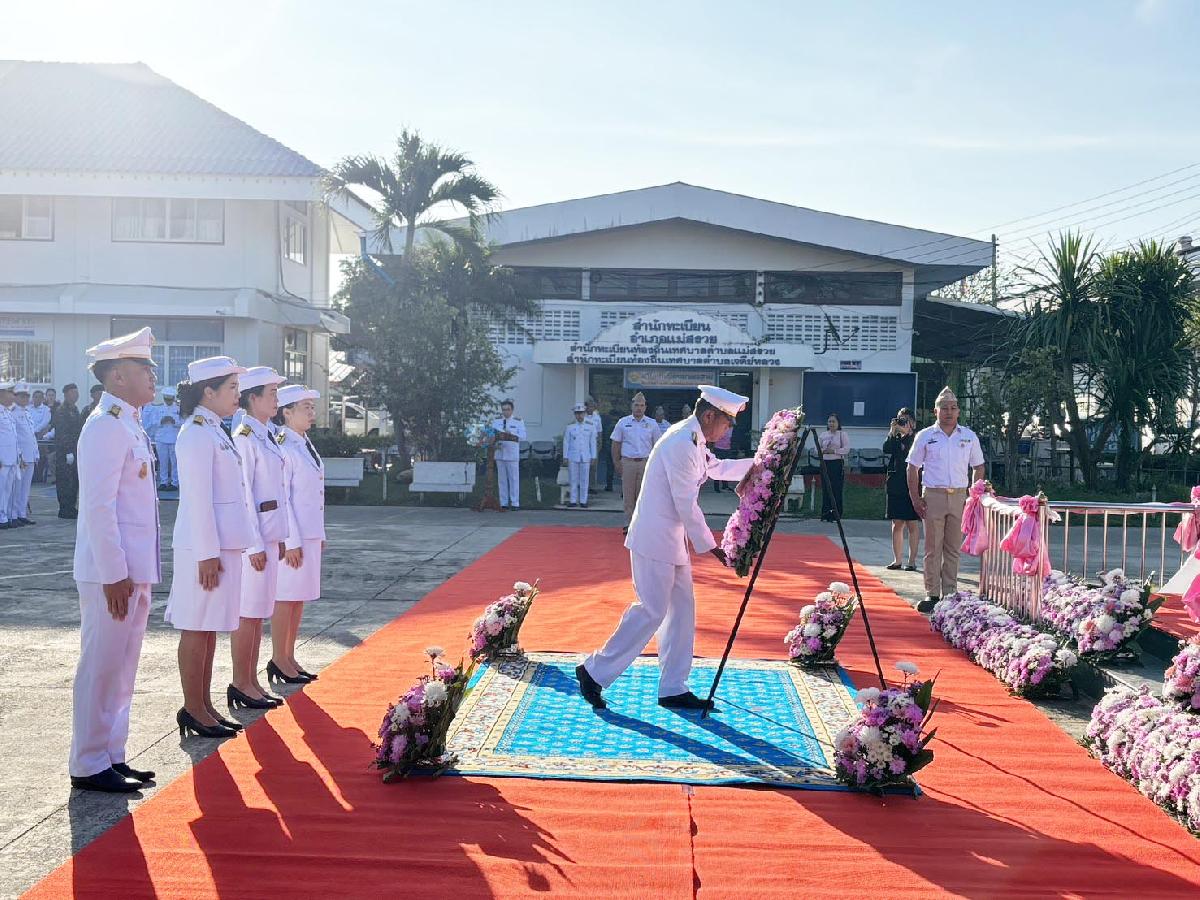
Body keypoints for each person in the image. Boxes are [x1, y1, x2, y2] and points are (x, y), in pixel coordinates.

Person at [576, 385, 756, 711]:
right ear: (709, 415)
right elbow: (685, 502)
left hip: (671, 541)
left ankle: (673, 687)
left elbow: (716, 468)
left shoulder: (693, 438)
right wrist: (712, 546)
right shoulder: (680, 443)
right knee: (652, 610)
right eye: (727, 422)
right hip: (654, 539)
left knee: (681, 612)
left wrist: (758, 465)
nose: (728, 429)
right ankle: (594, 671)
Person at [69, 327, 160, 792]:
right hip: (112, 572)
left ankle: (112, 754)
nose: (153, 376)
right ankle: (88, 763)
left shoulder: (129, 423)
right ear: (119, 375)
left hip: (132, 570)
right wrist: (114, 573)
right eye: (145, 368)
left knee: (122, 669)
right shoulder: (105, 426)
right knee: (101, 667)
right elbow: (98, 507)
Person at [164, 356, 255, 739]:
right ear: (208, 391)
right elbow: (198, 499)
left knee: (209, 627)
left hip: (221, 545)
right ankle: (193, 708)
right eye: (231, 388)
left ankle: (204, 705)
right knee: (196, 625)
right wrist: (207, 553)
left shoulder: (215, 429)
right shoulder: (196, 433)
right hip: (203, 547)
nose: (237, 395)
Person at [229, 367, 289, 710]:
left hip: (269, 535)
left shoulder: (265, 434)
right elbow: (245, 495)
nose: (276, 400)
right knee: (248, 613)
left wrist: (279, 536)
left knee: (258, 613)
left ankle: (251, 681)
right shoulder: (245, 437)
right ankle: (241, 682)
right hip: (254, 539)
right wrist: (253, 544)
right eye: (272, 393)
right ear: (253, 398)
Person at [907, 387, 985, 612]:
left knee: (952, 548)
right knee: (933, 547)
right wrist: (915, 498)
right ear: (936, 411)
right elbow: (912, 467)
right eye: (944, 408)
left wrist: (974, 495)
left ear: (958, 411)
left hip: (959, 496)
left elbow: (978, 466)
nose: (949, 412)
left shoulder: (968, 436)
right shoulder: (925, 436)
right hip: (933, 495)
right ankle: (932, 594)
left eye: (953, 408)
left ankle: (950, 593)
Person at [270, 384, 326, 685]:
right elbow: (284, 498)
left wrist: (319, 533)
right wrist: (290, 541)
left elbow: (314, 493)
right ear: (287, 412)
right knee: (285, 597)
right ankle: (279, 658)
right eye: (305, 408)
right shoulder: (283, 446)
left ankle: (289, 657)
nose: (311, 413)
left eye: (312, 407)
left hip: (309, 533)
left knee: (298, 598)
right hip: (294, 536)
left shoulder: (303, 443)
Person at [611, 392, 660, 534]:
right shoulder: (623, 422)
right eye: (636, 405)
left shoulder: (652, 424)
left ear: (645, 407)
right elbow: (616, 444)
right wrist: (616, 462)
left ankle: (641, 525)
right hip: (628, 463)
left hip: (645, 463)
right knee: (628, 495)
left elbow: (658, 446)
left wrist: (656, 466)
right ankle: (629, 524)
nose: (639, 408)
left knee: (643, 495)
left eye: (642, 405)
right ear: (631, 406)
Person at [883, 408, 920, 571]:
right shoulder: (895, 438)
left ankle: (911, 561)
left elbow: (914, 454)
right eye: (899, 420)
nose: (902, 423)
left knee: (912, 523)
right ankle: (897, 560)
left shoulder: (916, 438)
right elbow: (886, 448)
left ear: (913, 423)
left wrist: (907, 434)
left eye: (905, 420)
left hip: (911, 484)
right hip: (895, 483)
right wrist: (892, 432)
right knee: (897, 523)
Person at [9, 383, 39, 525]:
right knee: (17, 487)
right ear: (15, 397)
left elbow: (31, 436)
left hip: (30, 456)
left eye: (27, 396)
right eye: (22, 396)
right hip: (20, 457)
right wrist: (19, 455)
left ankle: (22, 513)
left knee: (26, 488)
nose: (25, 399)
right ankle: (13, 515)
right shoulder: (12, 413)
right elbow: (14, 437)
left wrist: (35, 453)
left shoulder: (27, 412)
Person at [53, 384, 83, 519]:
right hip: (64, 453)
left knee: (74, 481)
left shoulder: (75, 409)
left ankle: (71, 507)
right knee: (65, 481)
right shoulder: (61, 411)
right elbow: (62, 433)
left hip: (75, 451)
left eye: (77, 393)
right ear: (66, 394)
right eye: (72, 393)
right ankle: (64, 509)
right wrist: (68, 451)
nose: (76, 395)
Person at [492, 399, 525, 511]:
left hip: (511, 453)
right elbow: (492, 435)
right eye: (504, 410)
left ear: (512, 410)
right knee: (502, 479)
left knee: (514, 479)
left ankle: (515, 503)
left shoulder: (518, 421)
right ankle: (504, 502)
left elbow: (523, 436)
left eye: (508, 409)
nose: (505, 412)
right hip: (500, 453)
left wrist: (511, 433)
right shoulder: (497, 421)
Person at [818, 413, 850, 522]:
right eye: (829, 421)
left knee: (836, 489)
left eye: (833, 421)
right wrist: (823, 450)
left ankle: (836, 514)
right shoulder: (823, 435)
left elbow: (846, 449)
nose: (831, 424)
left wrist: (834, 451)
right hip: (825, 463)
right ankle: (825, 513)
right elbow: (816, 449)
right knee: (826, 489)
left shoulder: (842, 434)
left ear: (838, 423)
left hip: (836, 463)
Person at [563, 403, 596, 508]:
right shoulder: (570, 427)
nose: (579, 415)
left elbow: (592, 443)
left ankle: (583, 501)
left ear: (584, 413)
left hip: (585, 456)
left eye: (581, 413)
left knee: (584, 480)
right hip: (573, 456)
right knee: (573, 479)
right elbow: (566, 442)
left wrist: (593, 456)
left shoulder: (590, 426)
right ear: (575, 414)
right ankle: (573, 500)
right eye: (577, 413)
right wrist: (565, 456)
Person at [154, 391, 180, 491]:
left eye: (170, 399)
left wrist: (174, 422)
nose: (168, 401)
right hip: (161, 438)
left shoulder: (178, 409)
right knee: (163, 462)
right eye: (167, 399)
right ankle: (163, 482)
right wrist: (161, 421)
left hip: (174, 438)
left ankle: (174, 483)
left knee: (174, 462)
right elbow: (153, 422)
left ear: (173, 399)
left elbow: (183, 422)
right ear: (164, 398)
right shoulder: (158, 408)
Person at [0, 383, 16, 530]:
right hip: (2, 459)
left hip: (11, 459)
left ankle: (3, 516)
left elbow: (13, 437)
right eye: (10, 393)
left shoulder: (8, 412)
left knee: (7, 490)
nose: (13, 396)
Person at [582, 396, 606, 491]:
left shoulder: (597, 417)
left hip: (594, 443)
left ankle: (592, 486)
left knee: (593, 466)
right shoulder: (582, 416)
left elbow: (600, 431)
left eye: (592, 406)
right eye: (589, 406)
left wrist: (600, 443)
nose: (591, 408)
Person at [711, 420, 734, 493]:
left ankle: (725, 486)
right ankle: (716, 487)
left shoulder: (731, 428)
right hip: (719, 448)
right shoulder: (720, 427)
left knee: (725, 468)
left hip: (727, 449)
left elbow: (730, 438)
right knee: (718, 467)